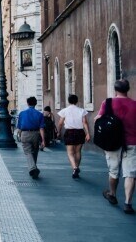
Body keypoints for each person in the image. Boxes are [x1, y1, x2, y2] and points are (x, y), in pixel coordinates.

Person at [96, 79, 136, 214]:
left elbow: (98, 119)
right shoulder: (135, 105)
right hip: (132, 142)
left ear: (115, 89)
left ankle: (112, 194)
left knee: (113, 171)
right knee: (130, 174)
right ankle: (128, 203)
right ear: (128, 89)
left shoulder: (107, 103)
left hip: (112, 142)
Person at [56, 95, 90, 179]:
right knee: (78, 151)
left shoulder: (64, 111)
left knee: (70, 152)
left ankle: (74, 168)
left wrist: (58, 132)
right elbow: (85, 122)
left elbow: (60, 123)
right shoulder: (82, 111)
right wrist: (88, 133)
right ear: (77, 101)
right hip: (80, 132)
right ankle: (76, 168)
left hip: (69, 132)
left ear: (68, 101)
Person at [16, 96, 46, 179]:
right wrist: (43, 140)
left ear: (27, 103)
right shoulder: (40, 114)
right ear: (35, 103)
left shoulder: (22, 113)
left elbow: (19, 127)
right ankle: (33, 168)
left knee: (28, 152)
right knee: (35, 151)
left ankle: (32, 168)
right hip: (36, 134)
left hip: (25, 134)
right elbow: (41, 128)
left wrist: (18, 135)